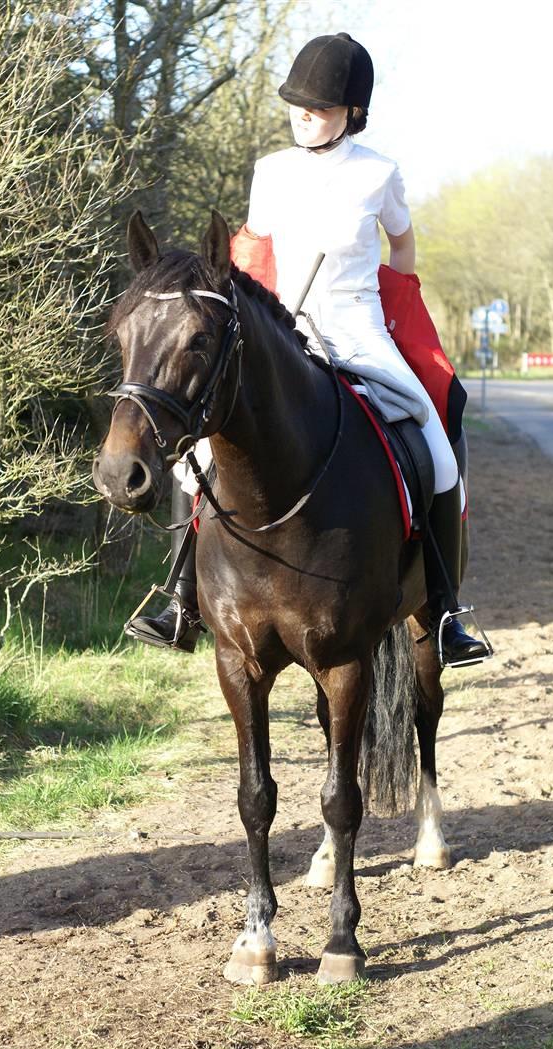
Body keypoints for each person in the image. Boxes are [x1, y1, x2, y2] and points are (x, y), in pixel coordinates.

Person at [129, 32, 489, 667]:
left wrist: (393, 296)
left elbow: (402, 248)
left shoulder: (380, 173)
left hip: (358, 327)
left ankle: (446, 609)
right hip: (284, 324)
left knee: (436, 445)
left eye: (317, 107)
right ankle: (181, 598)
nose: (303, 114)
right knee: (200, 452)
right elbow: (249, 252)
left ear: (352, 111)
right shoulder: (271, 172)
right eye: (296, 103)